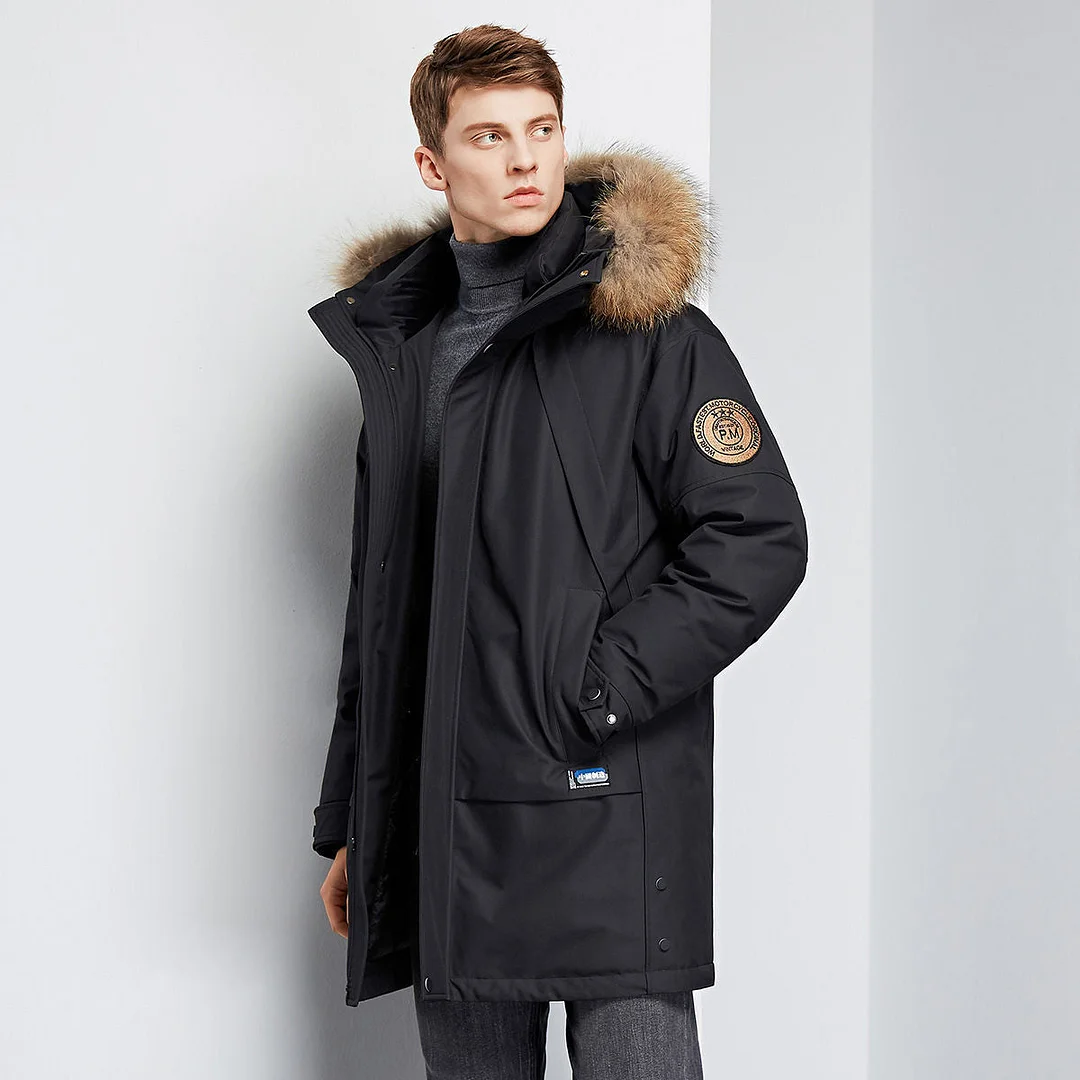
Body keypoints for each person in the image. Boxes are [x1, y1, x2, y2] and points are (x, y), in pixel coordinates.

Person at [310, 22, 809, 1080]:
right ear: (433, 165)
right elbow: (382, 605)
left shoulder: (651, 335)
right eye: (489, 136)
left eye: (542, 129)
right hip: (445, 833)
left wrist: (594, 687)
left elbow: (757, 536)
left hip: (602, 808)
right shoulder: (405, 357)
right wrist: (358, 817)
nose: (526, 158)